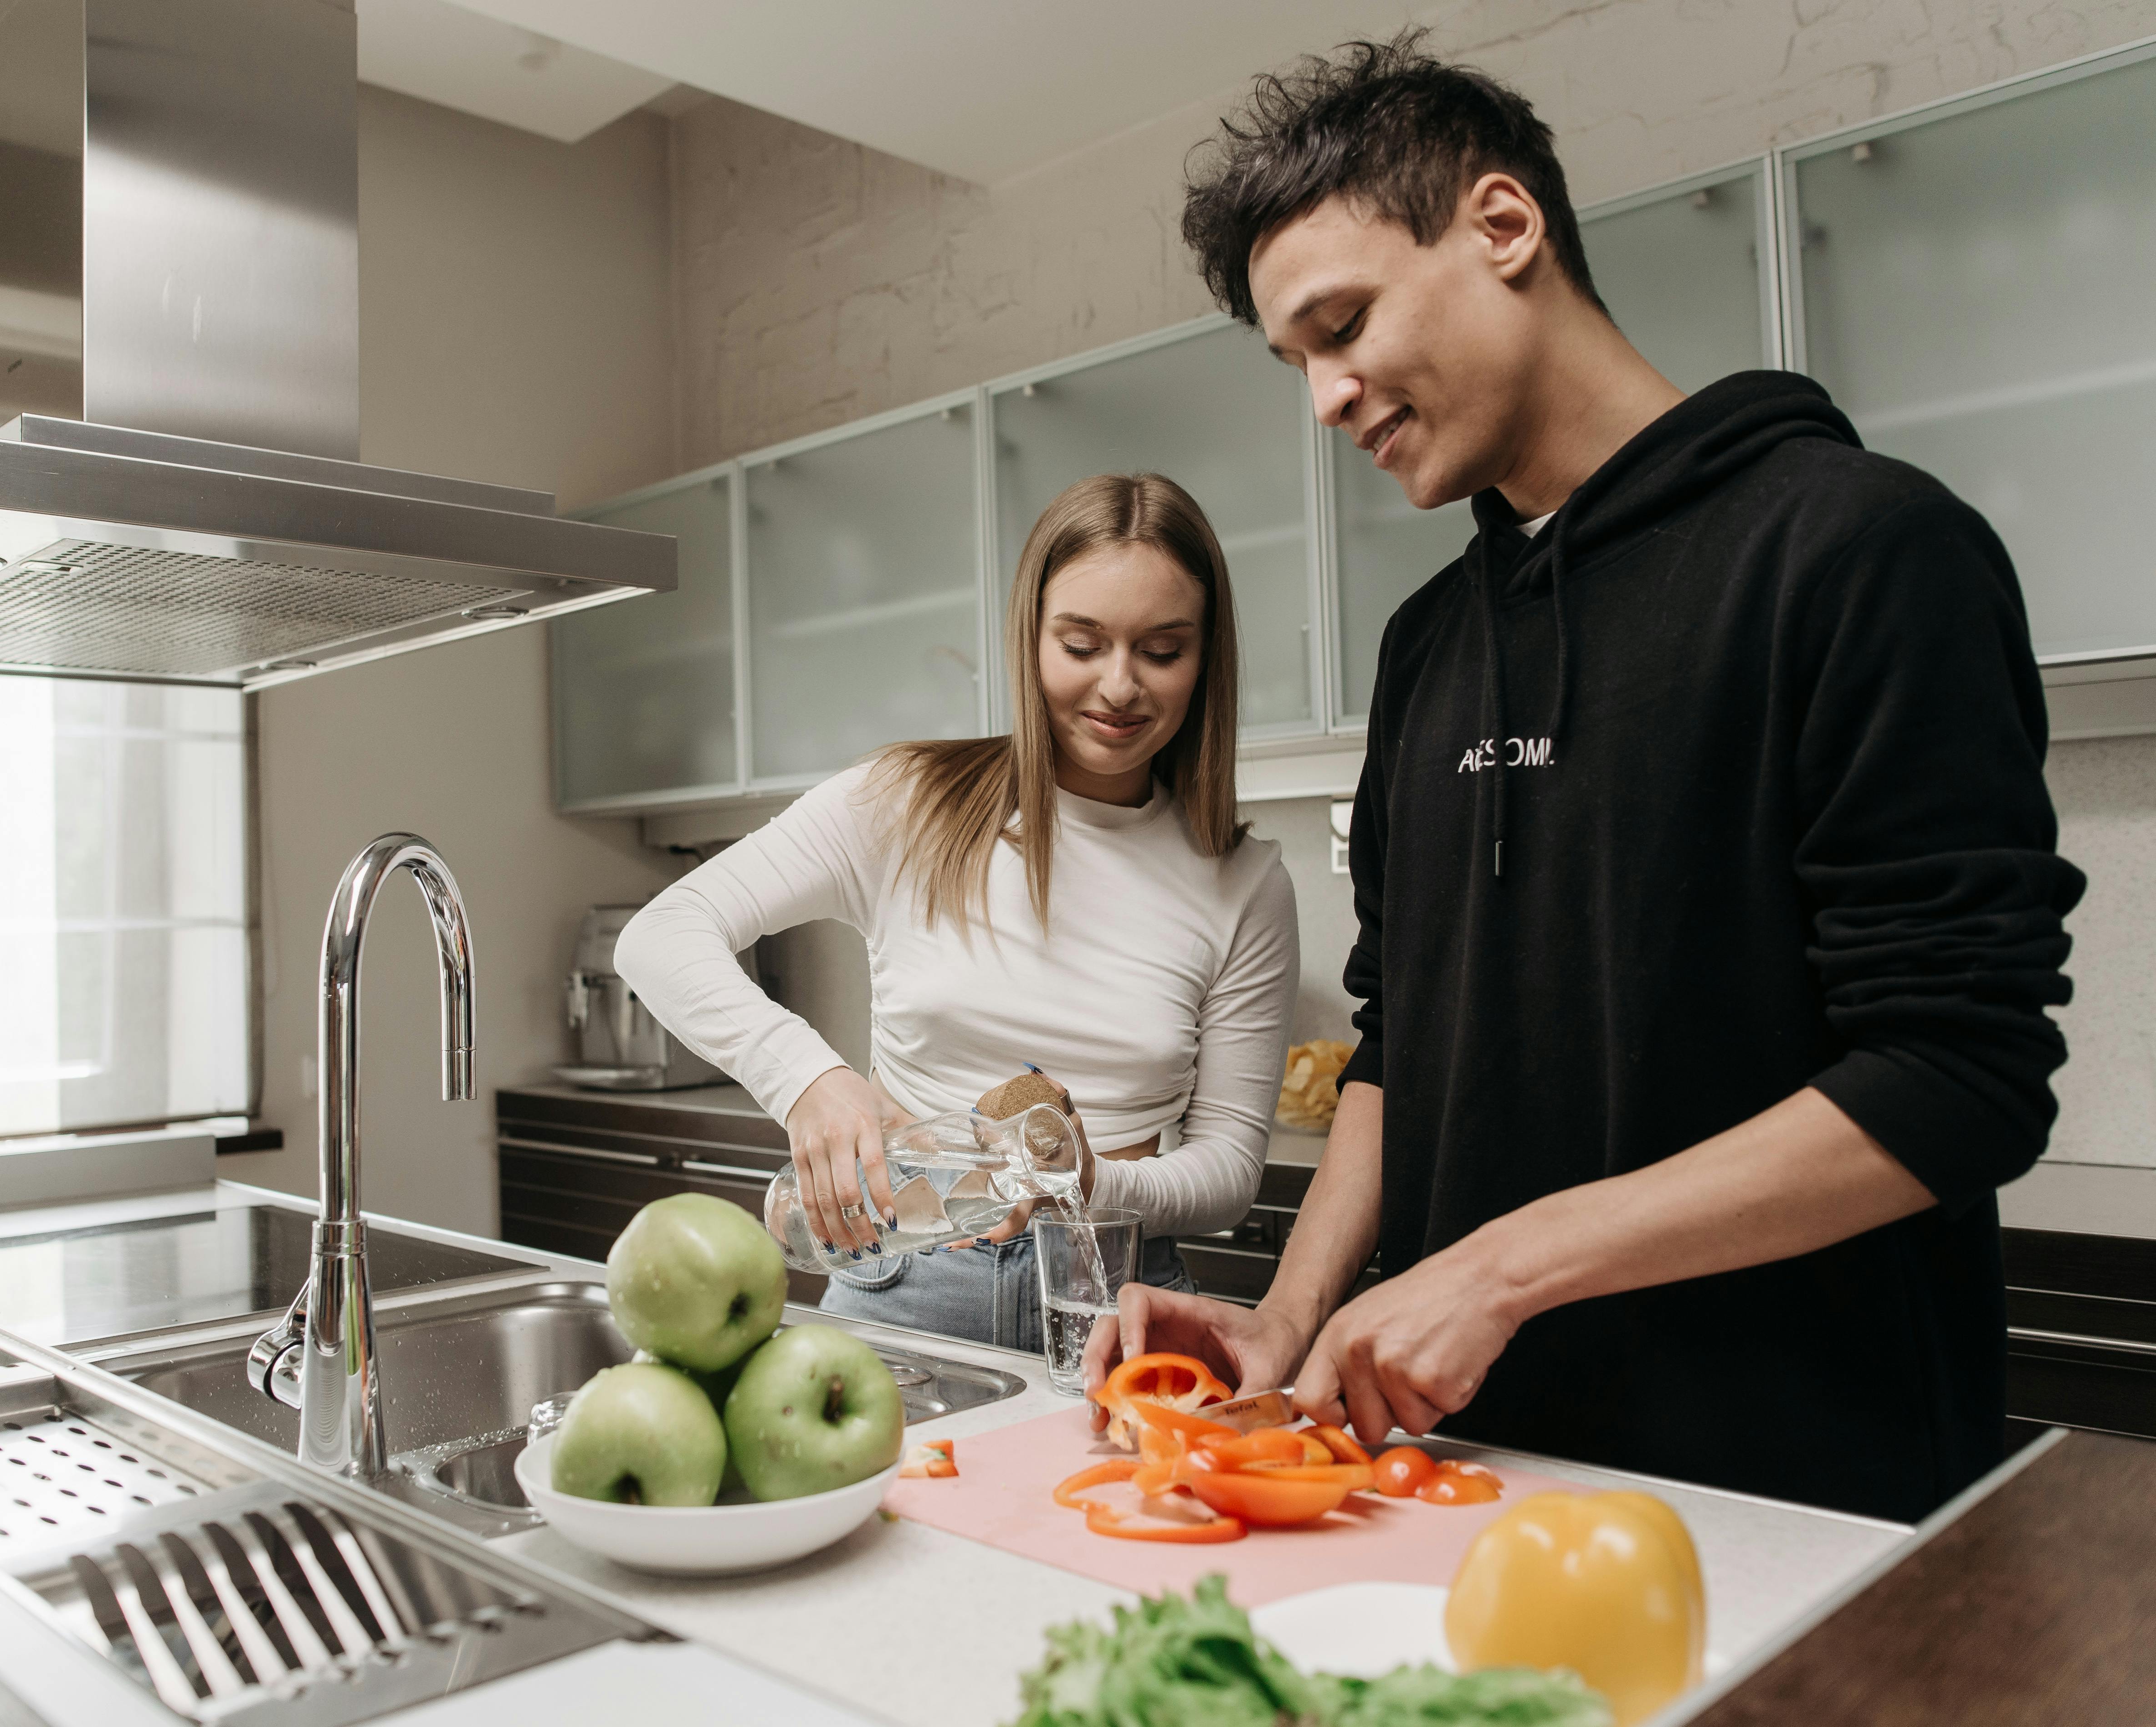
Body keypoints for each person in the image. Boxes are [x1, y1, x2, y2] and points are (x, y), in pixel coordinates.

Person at [1085, 33, 2085, 1523]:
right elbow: (1392, 1048)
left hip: (1793, 1500)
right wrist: (1282, 1324)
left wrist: (1496, 1266)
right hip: (1458, 1486)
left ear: (1501, 227)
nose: (1324, 398)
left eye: (1342, 324)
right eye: (1297, 359)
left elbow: (1957, 1079)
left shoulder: (1859, 550)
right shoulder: (1428, 644)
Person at [617, 473, 1297, 1351]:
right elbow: (662, 936)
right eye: (1081, 643)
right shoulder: (909, 802)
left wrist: (1091, 1184)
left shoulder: (1243, 882)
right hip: (903, 1277)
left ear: (1206, 658)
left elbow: (1231, 1171)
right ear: (1030, 637)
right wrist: (808, 1081)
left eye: (1162, 650)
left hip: (1114, 1300)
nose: (1120, 686)